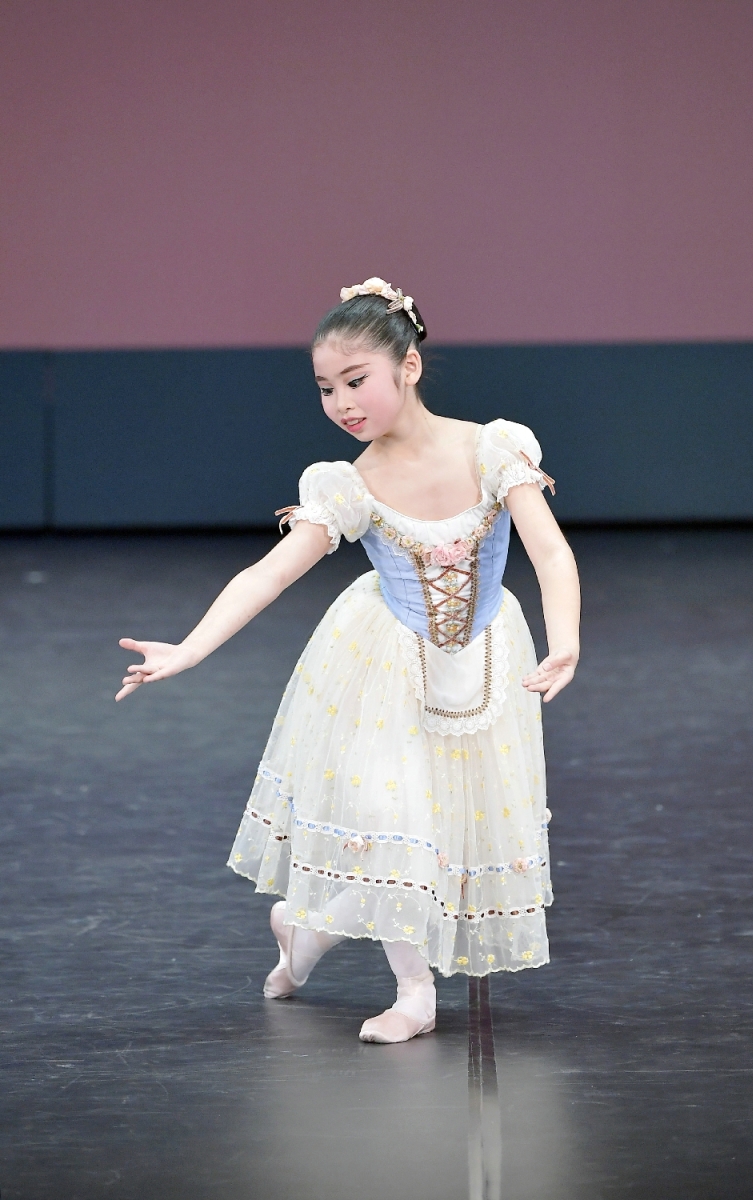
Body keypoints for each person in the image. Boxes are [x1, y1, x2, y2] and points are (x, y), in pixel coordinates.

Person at [116, 276, 581, 1044]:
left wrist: (565, 639)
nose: (341, 403)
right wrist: (192, 647)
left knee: (442, 833)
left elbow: (550, 552)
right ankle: (413, 993)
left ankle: (305, 934)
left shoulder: (492, 448)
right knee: (391, 821)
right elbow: (269, 573)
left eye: (356, 380)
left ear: (409, 366)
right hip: (384, 664)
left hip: (487, 656)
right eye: (326, 388)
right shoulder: (349, 484)